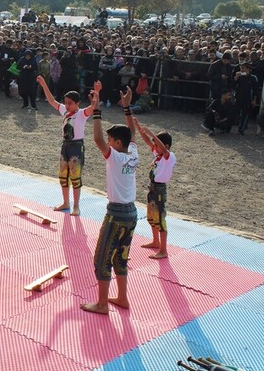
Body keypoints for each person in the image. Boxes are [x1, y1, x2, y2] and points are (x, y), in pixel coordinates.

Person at [81, 84, 139, 315]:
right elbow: (132, 133)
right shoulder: (132, 154)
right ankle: (122, 297)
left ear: (115, 143)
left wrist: (96, 109)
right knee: (121, 256)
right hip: (132, 213)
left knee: (102, 257)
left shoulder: (115, 157)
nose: (108, 142)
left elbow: (97, 139)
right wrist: (126, 107)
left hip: (116, 214)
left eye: (110, 139)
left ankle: (102, 303)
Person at [37, 76, 97, 216]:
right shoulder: (64, 110)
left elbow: (93, 107)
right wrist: (44, 84)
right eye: (66, 103)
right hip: (65, 146)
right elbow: (52, 101)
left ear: (77, 103)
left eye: (70, 103)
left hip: (76, 146)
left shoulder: (82, 114)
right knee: (63, 176)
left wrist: (96, 95)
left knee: (75, 177)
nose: (67, 105)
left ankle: (76, 206)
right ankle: (66, 202)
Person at [134, 118, 175, 259]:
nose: (154, 147)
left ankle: (163, 250)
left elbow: (161, 148)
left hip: (159, 190)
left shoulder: (168, 157)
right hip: (152, 188)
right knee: (151, 216)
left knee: (160, 219)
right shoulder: (158, 155)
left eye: (157, 144)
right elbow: (148, 142)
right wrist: (139, 127)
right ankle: (155, 241)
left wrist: (151, 133)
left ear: (166, 146)